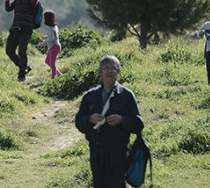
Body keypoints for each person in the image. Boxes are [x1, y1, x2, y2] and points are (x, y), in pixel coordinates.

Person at [75, 55, 144, 188]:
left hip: (118, 149)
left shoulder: (126, 95)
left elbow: (138, 124)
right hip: (96, 148)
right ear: (101, 73)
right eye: (106, 68)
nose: (110, 71)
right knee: (99, 184)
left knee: (116, 184)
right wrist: (89, 119)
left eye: (114, 68)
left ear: (118, 73)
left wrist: (122, 120)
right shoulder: (90, 96)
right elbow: (79, 122)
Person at [4, 0, 39, 81]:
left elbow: (26, 1)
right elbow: (8, 8)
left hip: (26, 28)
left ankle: (21, 75)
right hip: (15, 28)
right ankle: (25, 67)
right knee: (9, 50)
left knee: (22, 51)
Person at [37, 10, 62, 79]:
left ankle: (53, 78)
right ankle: (58, 74)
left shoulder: (51, 28)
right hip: (54, 46)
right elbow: (52, 36)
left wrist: (42, 44)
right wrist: (44, 37)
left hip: (55, 46)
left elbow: (51, 38)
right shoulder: (54, 26)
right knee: (47, 61)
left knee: (52, 64)